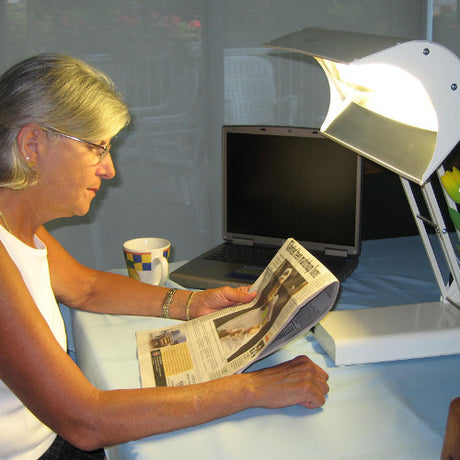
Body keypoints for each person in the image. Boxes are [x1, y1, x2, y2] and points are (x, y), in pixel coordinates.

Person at [0, 53, 329, 459]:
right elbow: (85, 420)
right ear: (32, 144)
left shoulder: (15, 223)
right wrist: (253, 388)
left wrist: (191, 303)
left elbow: (85, 288)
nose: (109, 170)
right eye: (98, 148)